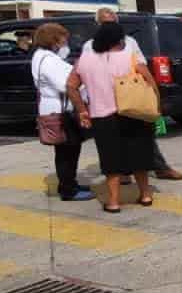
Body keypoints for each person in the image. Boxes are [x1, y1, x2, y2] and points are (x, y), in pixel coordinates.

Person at [67, 22, 160, 213]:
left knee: (110, 160)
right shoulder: (130, 57)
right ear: (119, 39)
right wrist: (156, 108)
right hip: (134, 113)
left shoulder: (84, 59)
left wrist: (82, 110)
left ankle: (114, 201)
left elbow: (70, 86)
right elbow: (150, 82)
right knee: (139, 155)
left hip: (102, 117)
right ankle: (145, 195)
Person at [83, 8, 182, 181]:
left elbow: (141, 65)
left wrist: (153, 95)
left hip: (130, 93)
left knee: (142, 135)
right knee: (114, 138)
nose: (110, 26)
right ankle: (124, 173)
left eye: (113, 22)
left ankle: (159, 167)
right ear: (98, 24)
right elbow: (87, 73)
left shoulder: (129, 42)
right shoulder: (90, 45)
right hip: (106, 98)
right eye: (106, 22)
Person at [30, 23, 92, 202]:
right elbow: (66, 84)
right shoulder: (48, 60)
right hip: (60, 112)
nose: (66, 41)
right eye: (63, 37)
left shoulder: (44, 57)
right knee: (67, 151)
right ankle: (68, 190)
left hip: (58, 108)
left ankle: (69, 183)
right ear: (54, 39)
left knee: (69, 150)